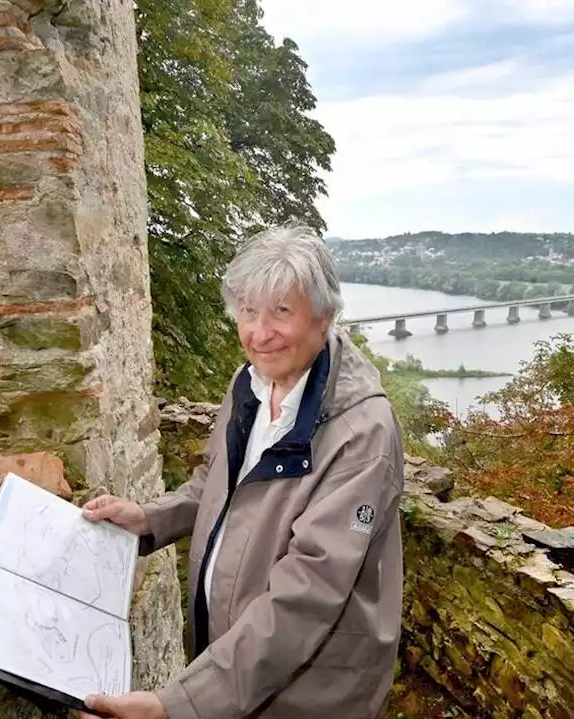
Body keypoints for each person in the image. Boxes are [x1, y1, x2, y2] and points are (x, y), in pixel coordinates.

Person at [79, 224, 405, 719]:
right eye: (248, 311)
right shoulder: (250, 385)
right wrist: (150, 517)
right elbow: (217, 482)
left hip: (309, 696)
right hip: (236, 670)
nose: (259, 332)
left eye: (281, 312)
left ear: (325, 317)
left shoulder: (361, 433)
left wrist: (179, 703)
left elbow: (308, 592)